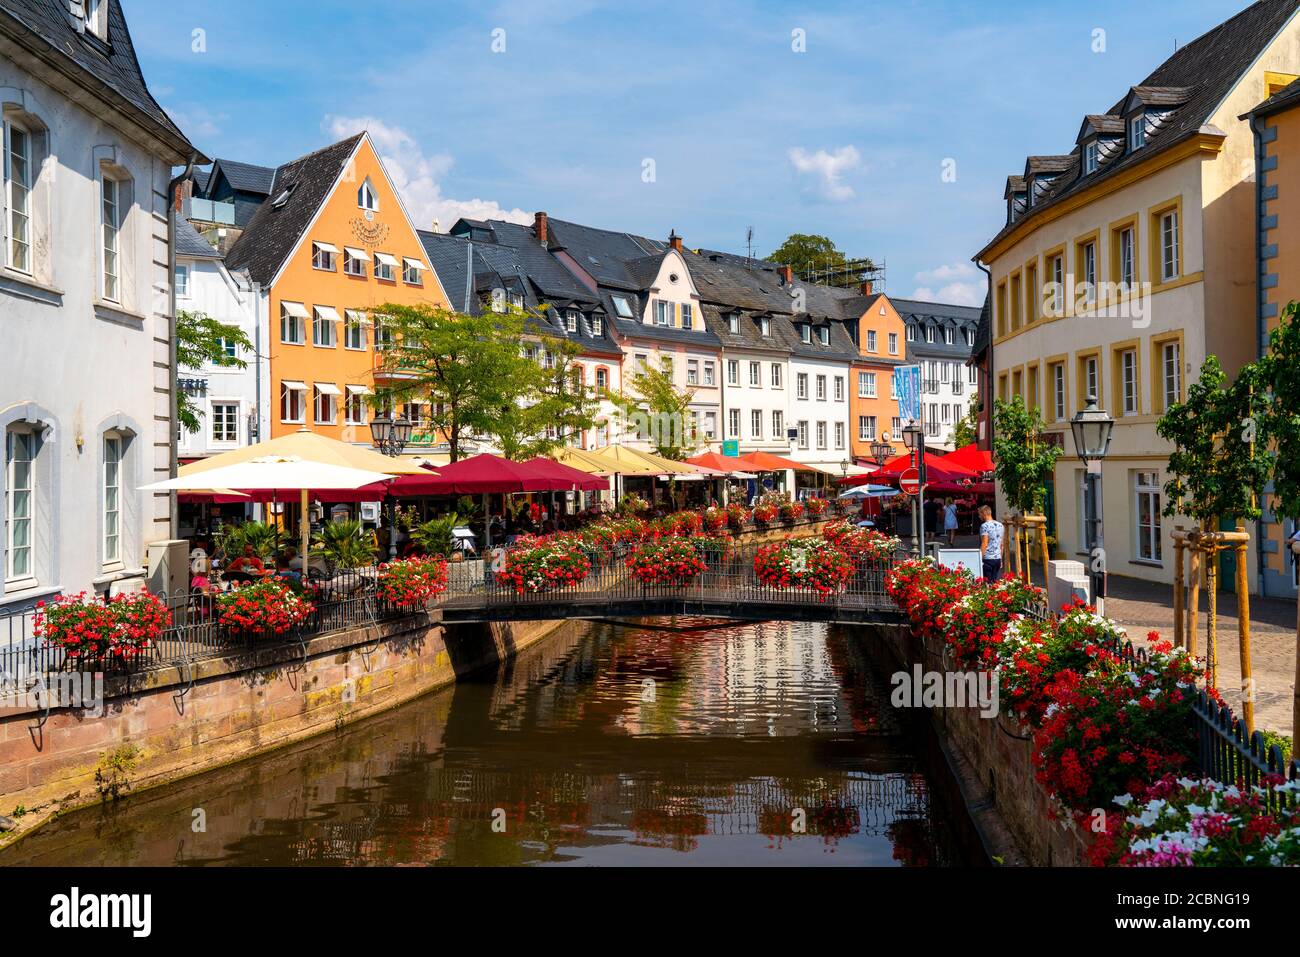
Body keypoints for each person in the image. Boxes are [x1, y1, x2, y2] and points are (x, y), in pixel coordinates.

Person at [978, 505, 1005, 582]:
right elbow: (1001, 544)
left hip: (988, 559)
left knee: (987, 583)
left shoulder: (984, 526)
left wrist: (980, 558)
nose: (979, 516)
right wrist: (1001, 560)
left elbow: (984, 543)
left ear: (984, 513)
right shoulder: (1000, 525)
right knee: (994, 582)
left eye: (980, 514)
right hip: (997, 558)